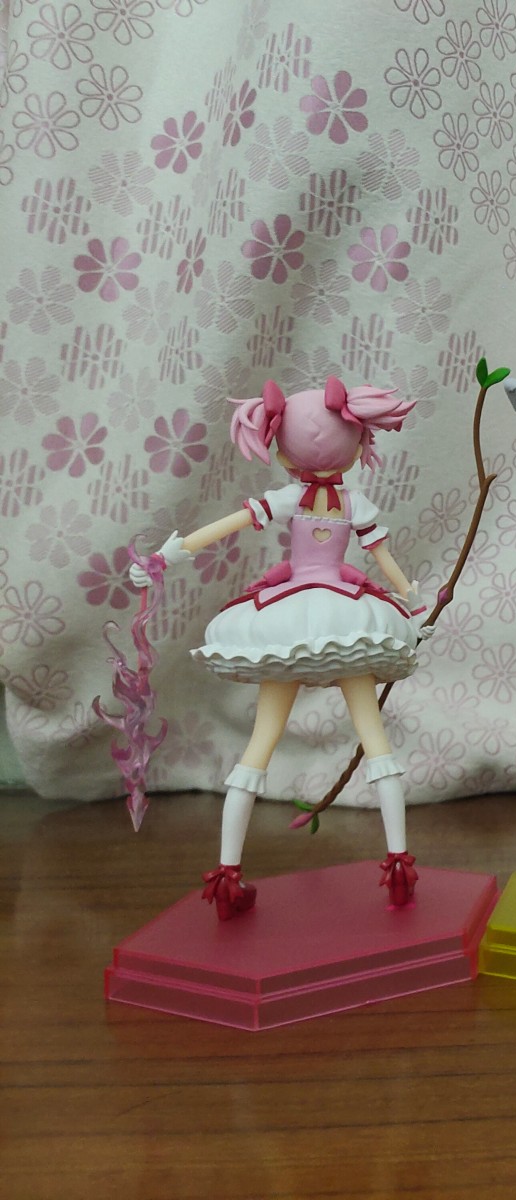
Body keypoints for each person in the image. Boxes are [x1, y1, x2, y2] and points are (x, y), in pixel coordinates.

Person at [129, 377, 425, 917]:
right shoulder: (354, 502)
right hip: (346, 614)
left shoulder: (288, 498)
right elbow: (383, 558)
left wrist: (164, 557)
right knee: (376, 741)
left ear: (282, 450)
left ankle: (227, 876)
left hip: (288, 616)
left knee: (259, 745)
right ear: (358, 442)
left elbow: (223, 528)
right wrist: (411, 599)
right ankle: (400, 865)